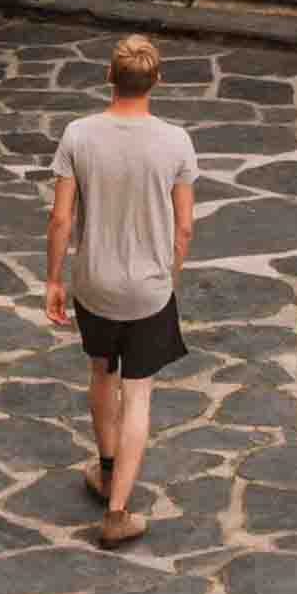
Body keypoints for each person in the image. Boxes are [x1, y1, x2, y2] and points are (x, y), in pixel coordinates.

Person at [45, 30, 197, 548]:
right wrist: (171, 275)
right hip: (150, 289)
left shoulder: (78, 135)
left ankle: (106, 468)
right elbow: (184, 227)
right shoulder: (176, 141)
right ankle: (117, 511)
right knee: (140, 394)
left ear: (109, 76)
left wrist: (53, 279)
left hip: (95, 283)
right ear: (157, 81)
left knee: (100, 374)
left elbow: (62, 219)